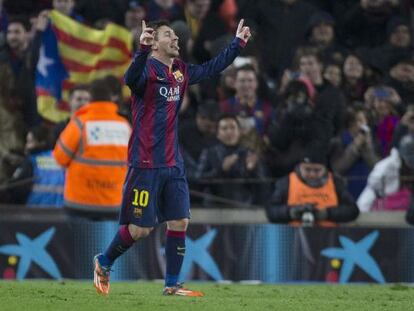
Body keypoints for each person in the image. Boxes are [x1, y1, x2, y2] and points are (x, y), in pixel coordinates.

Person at [93, 19, 251, 296]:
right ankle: (104, 261)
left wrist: (237, 44)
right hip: (145, 162)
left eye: (176, 35)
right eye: (169, 35)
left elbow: (212, 68)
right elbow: (129, 79)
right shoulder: (145, 71)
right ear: (154, 42)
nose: (176, 39)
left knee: (180, 221)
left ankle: (172, 284)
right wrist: (141, 49)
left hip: (173, 162)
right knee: (140, 230)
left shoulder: (180, 71)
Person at [53, 78, 131, 219]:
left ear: (91, 99)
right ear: (110, 100)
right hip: (114, 202)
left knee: (80, 241)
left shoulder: (80, 123)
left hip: (80, 202)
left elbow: (59, 158)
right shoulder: (125, 126)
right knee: (107, 240)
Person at [266, 149, 359, 227]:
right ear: (299, 167)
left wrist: (326, 213)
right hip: (295, 237)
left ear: (325, 169)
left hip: (329, 238)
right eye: (307, 169)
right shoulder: (286, 182)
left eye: (317, 170)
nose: (312, 174)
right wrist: (292, 212)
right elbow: (271, 211)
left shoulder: (335, 182)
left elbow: (352, 210)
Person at [357, 133, 414, 212]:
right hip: (371, 205)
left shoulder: (403, 167)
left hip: (394, 208)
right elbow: (373, 182)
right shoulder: (387, 165)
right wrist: (381, 195)